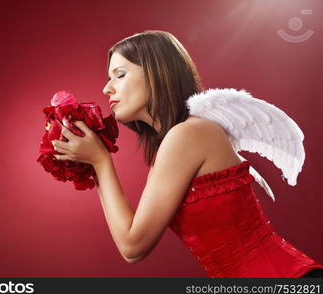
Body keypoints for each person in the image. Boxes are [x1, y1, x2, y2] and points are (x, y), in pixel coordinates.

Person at [50, 30, 323, 278]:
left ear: (158, 73)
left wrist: (100, 161)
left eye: (119, 75)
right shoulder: (177, 142)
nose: (107, 88)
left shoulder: (188, 135)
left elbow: (133, 246)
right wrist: (94, 163)